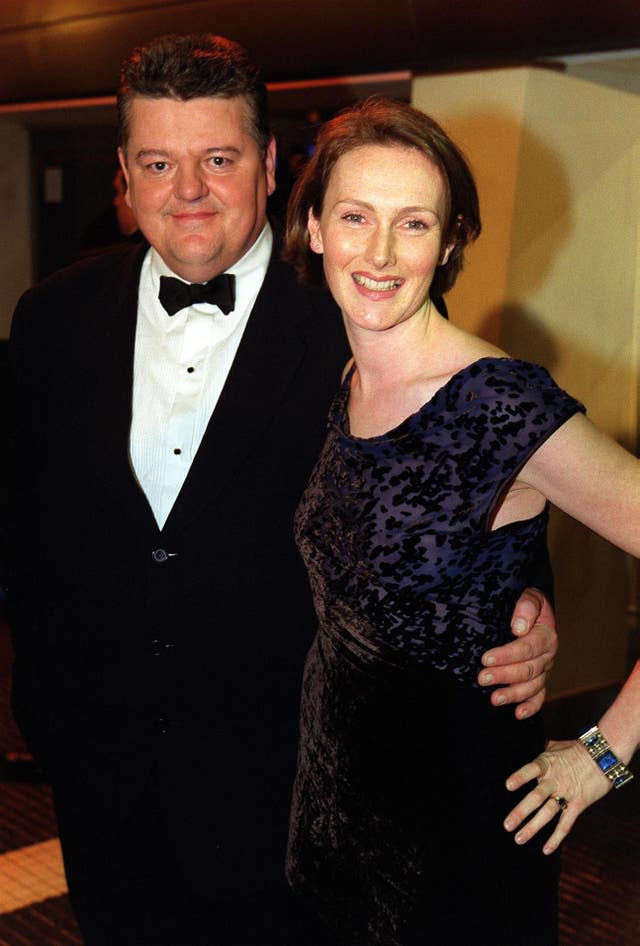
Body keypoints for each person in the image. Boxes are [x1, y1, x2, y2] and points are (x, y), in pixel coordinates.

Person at [7, 35, 557, 946]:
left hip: (295, 807)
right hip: (104, 788)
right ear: (124, 173)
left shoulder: (365, 323)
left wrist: (528, 608)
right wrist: (51, 716)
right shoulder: (50, 319)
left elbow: (477, 515)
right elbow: (26, 537)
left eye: (218, 159)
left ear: (267, 166)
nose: (188, 190)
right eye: (159, 162)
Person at [283, 95, 640, 946]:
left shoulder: (500, 404)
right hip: (335, 838)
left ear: (448, 246)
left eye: (412, 225)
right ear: (315, 229)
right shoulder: (351, 377)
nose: (378, 253)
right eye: (356, 217)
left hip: (455, 864)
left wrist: (605, 753)